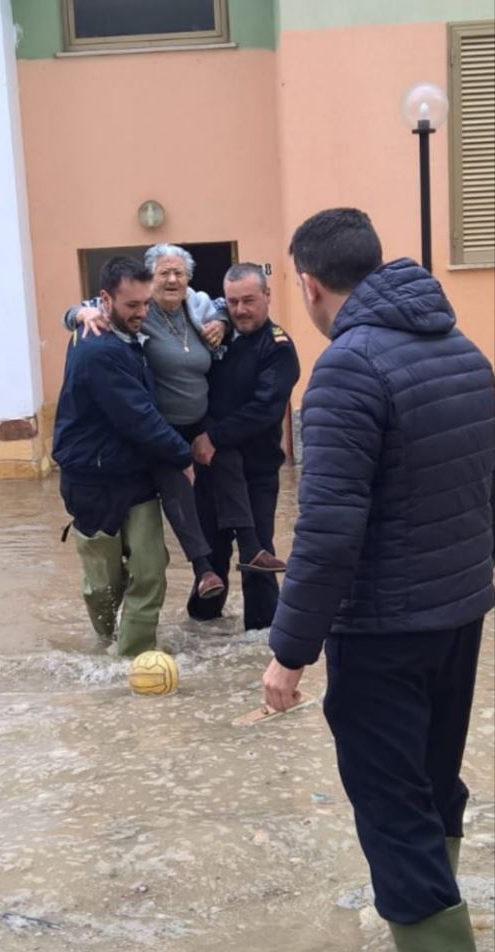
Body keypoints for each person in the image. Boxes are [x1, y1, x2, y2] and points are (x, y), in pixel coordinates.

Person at [262, 209, 495, 950]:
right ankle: (436, 910)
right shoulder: (462, 349)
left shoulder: (346, 368)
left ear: (309, 284)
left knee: (392, 810)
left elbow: (329, 530)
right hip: (459, 613)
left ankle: (433, 936)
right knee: (431, 783)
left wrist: (288, 651)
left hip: (383, 632)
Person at [65, 244, 285, 593]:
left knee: (228, 461)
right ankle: (203, 570)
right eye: (163, 273)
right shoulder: (137, 310)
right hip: (161, 427)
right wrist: (80, 313)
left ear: (188, 279)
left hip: (200, 420)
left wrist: (222, 322)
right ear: (149, 279)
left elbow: (224, 306)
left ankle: (251, 548)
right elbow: (87, 309)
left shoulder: (199, 304)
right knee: (176, 487)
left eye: (179, 273)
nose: (172, 280)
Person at [53, 256, 195, 656]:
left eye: (146, 303)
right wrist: (183, 456)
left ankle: (134, 659)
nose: (141, 313)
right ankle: (105, 647)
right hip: (90, 480)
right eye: (132, 305)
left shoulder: (127, 334)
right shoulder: (96, 347)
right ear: (105, 300)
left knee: (150, 570)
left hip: (136, 477)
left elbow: (195, 302)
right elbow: (139, 417)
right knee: (103, 585)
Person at [187, 262, 300, 630]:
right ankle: (202, 635)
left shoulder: (278, 347)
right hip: (211, 470)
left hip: (256, 473)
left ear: (267, 296)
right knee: (210, 558)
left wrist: (213, 437)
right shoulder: (215, 336)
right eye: (232, 302)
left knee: (257, 561)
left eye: (249, 300)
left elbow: (264, 410)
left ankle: (262, 642)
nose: (240, 310)